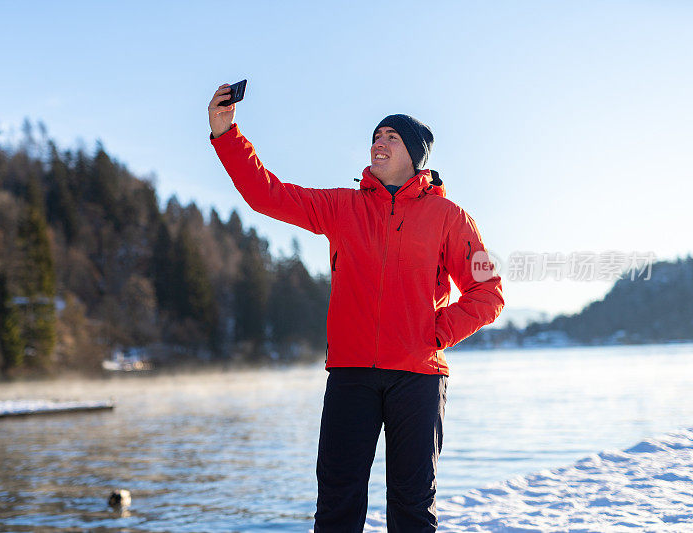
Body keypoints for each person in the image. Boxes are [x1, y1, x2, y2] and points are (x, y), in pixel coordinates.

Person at [208, 83, 504, 532]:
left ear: (416, 156)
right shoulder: (341, 207)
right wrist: (227, 134)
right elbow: (266, 194)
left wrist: (433, 333)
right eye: (376, 136)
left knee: (412, 506)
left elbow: (489, 292)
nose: (378, 142)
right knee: (337, 503)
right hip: (350, 375)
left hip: (418, 378)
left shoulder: (451, 219)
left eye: (392, 137)